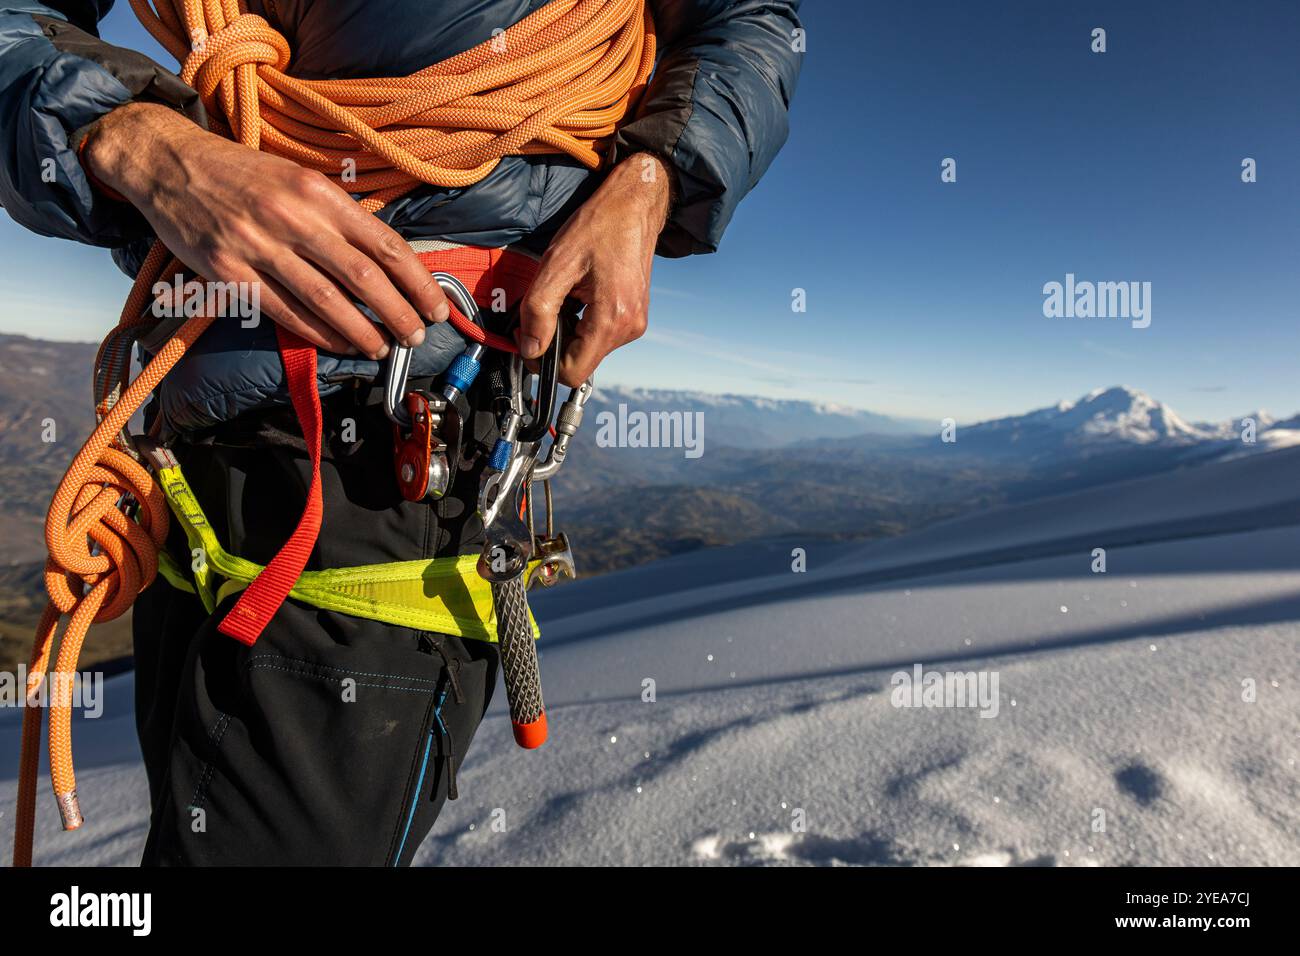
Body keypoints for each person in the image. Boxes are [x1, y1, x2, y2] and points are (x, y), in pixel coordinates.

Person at [0, 0, 801, 865]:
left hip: (395, 479)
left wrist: (655, 176)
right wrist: (141, 144)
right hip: (188, 463)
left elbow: (748, 20)